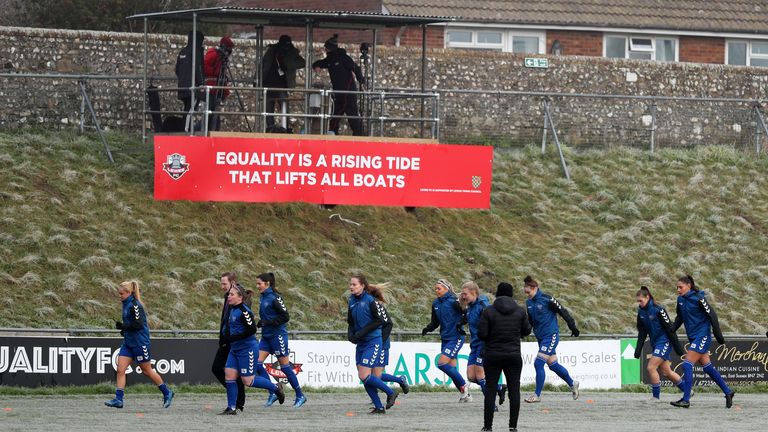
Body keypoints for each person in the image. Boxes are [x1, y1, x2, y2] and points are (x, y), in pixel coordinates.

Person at [105, 281, 174, 409]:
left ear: (129, 292)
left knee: (147, 371)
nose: (119, 296)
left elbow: (139, 324)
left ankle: (167, 392)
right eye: (119, 293)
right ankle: (118, 399)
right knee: (120, 370)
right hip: (128, 343)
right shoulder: (125, 304)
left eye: (121, 293)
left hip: (140, 343)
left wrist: (124, 327)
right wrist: (124, 331)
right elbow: (131, 325)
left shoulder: (135, 305)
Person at [219, 283, 285, 415]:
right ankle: (231, 408)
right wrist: (225, 339)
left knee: (247, 381)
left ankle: (275, 388)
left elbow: (252, 330)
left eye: (232, 294)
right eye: (229, 294)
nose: (229, 296)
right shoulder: (232, 310)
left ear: (240, 298)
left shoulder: (244, 311)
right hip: (235, 349)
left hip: (247, 350)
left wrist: (232, 338)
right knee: (229, 375)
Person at [670, 275, 734, 409]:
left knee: (687, 365)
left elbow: (712, 314)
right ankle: (728, 392)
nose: (678, 290)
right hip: (693, 336)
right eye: (677, 287)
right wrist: (671, 330)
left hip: (702, 335)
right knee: (708, 368)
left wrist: (718, 334)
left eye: (680, 287)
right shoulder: (680, 299)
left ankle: (686, 399)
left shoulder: (699, 298)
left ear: (689, 285)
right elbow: (679, 318)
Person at [478, 282, 531, 432]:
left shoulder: (488, 311)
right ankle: (513, 426)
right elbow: (527, 330)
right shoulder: (520, 311)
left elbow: (482, 333)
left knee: (490, 390)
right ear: (511, 294)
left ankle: (488, 427)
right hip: (513, 355)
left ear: (497, 294)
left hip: (493, 355)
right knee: (514, 390)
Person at [523, 275, 580, 403]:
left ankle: (537, 395)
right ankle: (572, 383)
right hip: (540, 337)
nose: (528, 295)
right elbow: (530, 321)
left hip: (551, 336)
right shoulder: (529, 303)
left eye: (529, 292)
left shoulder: (547, 299)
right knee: (553, 365)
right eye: (526, 293)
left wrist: (572, 327)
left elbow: (563, 311)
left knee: (538, 363)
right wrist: (524, 331)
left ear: (535, 288)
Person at [347, 274, 399, 414]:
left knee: (365, 375)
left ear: (362, 286)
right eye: (350, 284)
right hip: (361, 343)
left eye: (354, 284)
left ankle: (390, 392)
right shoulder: (351, 301)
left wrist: (361, 333)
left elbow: (378, 321)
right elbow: (350, 321)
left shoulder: (370, 300)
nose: (351, 287)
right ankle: (379, 407)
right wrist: (350, 334)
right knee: (363, 377)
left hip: (373, 341)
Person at [255, 272, 306, 408]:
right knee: (257, 364)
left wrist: (267, 322)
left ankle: (300, 395)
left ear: (267, 284)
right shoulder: (263, 297)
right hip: (266, 337)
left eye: (259, 283)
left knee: (285, 367)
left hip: (278, 337)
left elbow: (285, 316)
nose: (257, 286)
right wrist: (262, 323)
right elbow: (269, 317)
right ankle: (273, 391)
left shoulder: (274, 298)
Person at [634, 285, 686, 401]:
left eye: (641, 301)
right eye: (637, 301)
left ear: (647, 297)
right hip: (655, 343)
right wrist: (638, 349)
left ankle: (655, 397)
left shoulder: (658, 309)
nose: (639, 303)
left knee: (651, 367)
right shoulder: (641, 312)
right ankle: (687, 390)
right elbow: (642, 333)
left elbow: (670, 328)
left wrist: (678, 348)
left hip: (664, 341)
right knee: (666, 372)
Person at [460, 281, 507, 409]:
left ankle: (491, 405)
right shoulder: (469, 307)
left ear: (473, 293)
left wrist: (487, 345)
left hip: (484, 344)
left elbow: (492, 325)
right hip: (474, 344)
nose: (463, 296)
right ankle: (499, 387)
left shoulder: (483, 306)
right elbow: (467, 319)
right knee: (471, 376)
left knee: (480, 375)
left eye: (465, 294)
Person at [421, 279, 470, 401]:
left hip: (456, 337)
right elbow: (435, 322)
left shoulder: (454, 301)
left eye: (439, 288)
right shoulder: (436, 304)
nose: (436, 291)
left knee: (441, 363)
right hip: (445, 338)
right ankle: (465, 395)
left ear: (446, 289)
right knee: (451, 368)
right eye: (435, 289)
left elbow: (467, 313)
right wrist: (427, 329)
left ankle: (464, 384)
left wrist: (461, 322)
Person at [311, 34, 366, 136]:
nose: (325, 50)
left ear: (329, 48)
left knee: (353, 116)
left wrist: (361, 81)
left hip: (348, 92)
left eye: (326, 48)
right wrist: (315, 66)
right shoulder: (330, 59)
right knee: (335, 116)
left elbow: (356, 68)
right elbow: (319, 63)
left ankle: (360, 135)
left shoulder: (343, 58)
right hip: (338, 93)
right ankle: (333, 134)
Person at [366, 282, 409, 395]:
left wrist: (381, 340)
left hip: (382, 344)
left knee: (377, 375)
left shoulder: (378, 307)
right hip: (372, 343)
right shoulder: (366, 307)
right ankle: (376, 398)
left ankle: (400, 381)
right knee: (370, 374)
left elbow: (389, 324)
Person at [211, 272, 246, 411]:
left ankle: (239, 402)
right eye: (221, 283)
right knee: (217, 368)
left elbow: (244, 321)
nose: (222, 286)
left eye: (224, 283)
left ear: (233, 282)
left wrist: (232, 338)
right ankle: (236, 396)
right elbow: (225, 320)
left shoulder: (239, 296)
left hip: (235, 342)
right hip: (226, 341)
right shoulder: (228, 297)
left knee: (239, 375)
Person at [261, 35, 305, 130]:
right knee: (269, 109)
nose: (285, 48)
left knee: (284, 107)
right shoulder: (272, 51)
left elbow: (302, 62)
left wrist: (288, 65)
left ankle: (284, 127)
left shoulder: (291, 52)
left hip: (282, 85)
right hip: (269, 84)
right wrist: (258, 79)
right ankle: (270, 128)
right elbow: (263, 65)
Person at [203, 36, 234, 132]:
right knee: (211, 113)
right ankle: (209, 131)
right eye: (228, 50)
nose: (228, 53)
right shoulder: (214, 54)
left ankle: (214, 131)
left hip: (217, 89)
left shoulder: (220, 57)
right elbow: (204, 66)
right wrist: (215, 72)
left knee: (214, 114)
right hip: (212, 89)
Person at [175, 30, 204, 129]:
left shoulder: (183, 51)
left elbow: (177, 69)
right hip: (192, 88)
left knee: (187, 109)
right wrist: (201, 84)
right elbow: (198, 68)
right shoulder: (196, 51)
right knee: (190, 110)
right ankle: (186, 131)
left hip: (182, 87)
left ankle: (186, 128)